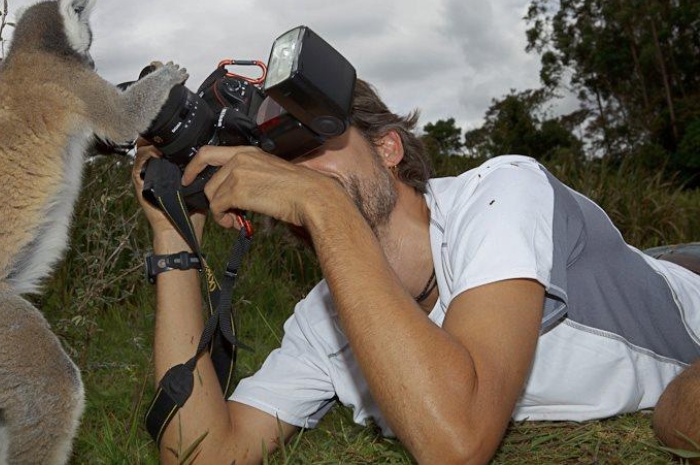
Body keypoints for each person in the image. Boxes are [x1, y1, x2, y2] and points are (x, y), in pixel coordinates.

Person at [132, 78, 700, 463]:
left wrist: (325, 203)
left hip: (685, 291)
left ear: (388, 149)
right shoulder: (322, 318)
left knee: (681, 420)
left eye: (312, 143)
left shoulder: (500, 193)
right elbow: (203, 453)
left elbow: (456, 440)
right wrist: (173, 240)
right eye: (278, 162)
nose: (292, 175)